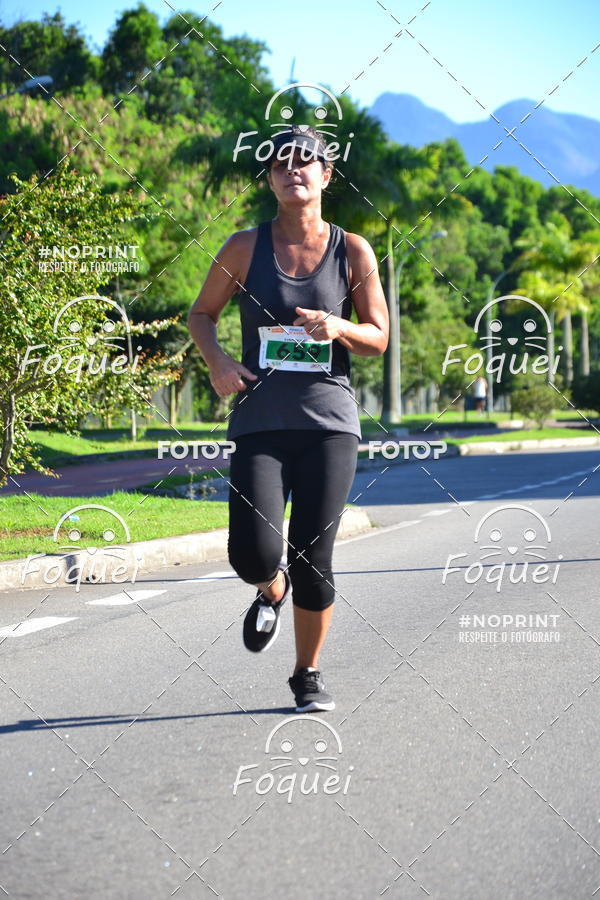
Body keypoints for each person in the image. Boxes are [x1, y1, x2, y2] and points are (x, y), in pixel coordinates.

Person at [188, 125, 388, 713]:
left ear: (327, 175)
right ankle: (269, 588)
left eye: (305, 162)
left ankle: (307, 675)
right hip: (261, 421)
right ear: (271, 180)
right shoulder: (243, 247)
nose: (292, 171)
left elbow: (377, 337)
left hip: (329, 423)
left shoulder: (352, 250)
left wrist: (339, 327)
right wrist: (219, 362)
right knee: (252, 552)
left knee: (312, 555)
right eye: (280, 165)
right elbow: (201, 315)